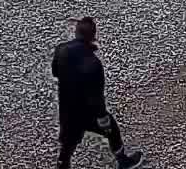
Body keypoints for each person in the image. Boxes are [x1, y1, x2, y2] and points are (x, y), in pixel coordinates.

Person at [51, 17, 144, 168]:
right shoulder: (94, 64)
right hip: (88, 112)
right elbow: (96, 97)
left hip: (67, 108)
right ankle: (123, 161)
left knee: (69, 139)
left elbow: (55, 72)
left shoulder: (61, 49)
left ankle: (62, 164)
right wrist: (103, 118)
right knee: (112, 129)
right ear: (93, 36)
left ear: (76, 32)